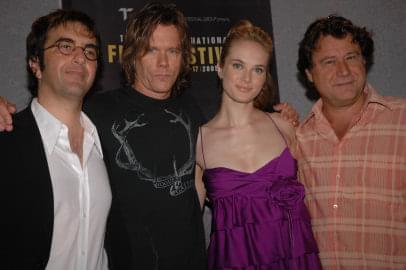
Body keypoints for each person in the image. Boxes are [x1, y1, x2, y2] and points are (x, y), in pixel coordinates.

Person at [195, 20, 321, 270]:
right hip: (234, 260)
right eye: (238, 65)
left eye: (258, 69)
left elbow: (316, 196)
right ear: (219, 68)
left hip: (293, 256)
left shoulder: (284, 126)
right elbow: (189, 228)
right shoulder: (198, 141)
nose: (247, 79)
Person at [0, 10, 111, 270]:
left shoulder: (106, 142)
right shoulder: (7, 140)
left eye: (89, 51)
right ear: (36, 64)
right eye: (65, 46)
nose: (79, 57)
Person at [296, 15, 406, 269]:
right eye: (329, 61)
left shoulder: (402, 121)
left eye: (351, 57)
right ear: (310, 74)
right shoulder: (298, 139)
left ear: (364, 60)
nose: (343, 71)